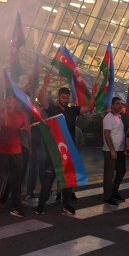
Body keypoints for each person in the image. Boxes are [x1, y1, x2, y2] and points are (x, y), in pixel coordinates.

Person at [36, 74, 98, 215]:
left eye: (67, 98)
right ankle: (41, 205)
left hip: (68, 151)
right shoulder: (52, 109)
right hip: (54, 151)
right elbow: (41, 98)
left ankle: (66, 204)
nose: (65, 100)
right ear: (58, 97)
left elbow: (89, 107)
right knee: (48, 180)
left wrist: (93, 94)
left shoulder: (72, 110)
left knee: (68, 180)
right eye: (63, 97)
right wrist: (45, 84)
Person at [0, 93, 31, 221]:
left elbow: (28, 132)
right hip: (1, 153)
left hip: (16, 152)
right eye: (7, 99)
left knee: (16, 182)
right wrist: (1, 121)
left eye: (11, 99)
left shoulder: (21, 114)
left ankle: (16, 207)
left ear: (15, 101)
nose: (9, 102)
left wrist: (26, 128)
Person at [102, 97, 126, 206]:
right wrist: (112, 150)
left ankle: (114, 191)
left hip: (120, 150)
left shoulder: (119, 117)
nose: (120, 105)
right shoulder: (109, 117)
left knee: (121, 171)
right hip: (110, 151)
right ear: (112, 105)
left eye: (121, 103)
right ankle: (108, 197)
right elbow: (106, 134)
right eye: (117, 103)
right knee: (109, 174)